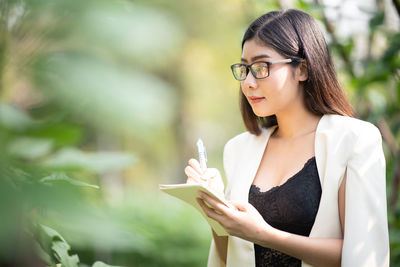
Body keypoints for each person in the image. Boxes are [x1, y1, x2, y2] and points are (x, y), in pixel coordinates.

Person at [184, 8, 389, 267]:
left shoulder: (354, 140)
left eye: (261, 67)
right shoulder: (239, 149)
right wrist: (215, 209)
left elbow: (362, 253)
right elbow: (229, 256)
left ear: (302, 69)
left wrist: (265, 235)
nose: (248, 82)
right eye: (244, 68)